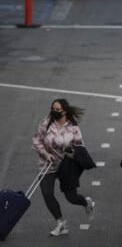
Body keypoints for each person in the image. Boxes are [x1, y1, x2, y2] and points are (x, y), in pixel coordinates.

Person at [31, 99, 95, 237]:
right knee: (47, 194)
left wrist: (70, 152)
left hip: (66, 165)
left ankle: (86, 202)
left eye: (58, 109)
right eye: (53, 108)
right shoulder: (46, 123)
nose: (54, 111)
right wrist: (46, 154)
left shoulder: (73, 128)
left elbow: (79, 147)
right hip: (47, 165)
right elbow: (36, 140)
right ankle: (60, 222)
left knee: (71, 197)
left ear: (65, 111)